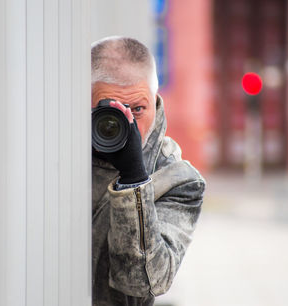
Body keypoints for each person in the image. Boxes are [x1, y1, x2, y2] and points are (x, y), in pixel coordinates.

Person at [92, 36, 205, 306]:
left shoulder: (179, 180)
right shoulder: (57, 153)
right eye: (110, 111)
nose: (128, 124)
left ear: (155, 99)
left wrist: (133, 180)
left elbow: (144, 282)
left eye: (138, 109)